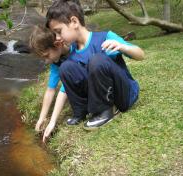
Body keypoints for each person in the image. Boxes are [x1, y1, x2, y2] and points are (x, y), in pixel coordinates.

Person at [45, 0, 145, 130]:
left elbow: (141, 55)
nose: (57, 38)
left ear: (74, 22)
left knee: (97, 60)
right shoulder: (73, 53)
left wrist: (122, 47)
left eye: (59, 31)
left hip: (124, 96)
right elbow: (64, 88)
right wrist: (52, 121)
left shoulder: (105, 37)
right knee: (66, 67)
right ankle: (81, 112)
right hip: (100, 96)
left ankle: (106, 111)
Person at [29, 25, 70, 142]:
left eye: (47, 56)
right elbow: (50, 89)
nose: (46, 61)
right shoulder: (56, 61)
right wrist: (41, 118)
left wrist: (52, 122)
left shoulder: (76, 52)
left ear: (57, 44)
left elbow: (65, 89)